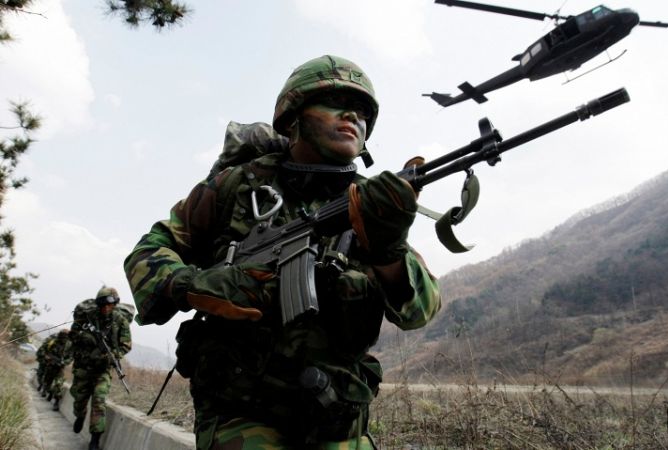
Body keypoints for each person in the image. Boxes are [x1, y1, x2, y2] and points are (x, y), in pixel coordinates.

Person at [124, 55, 441, 449]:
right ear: (293, 116)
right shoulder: (236, 186)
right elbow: (149, 250)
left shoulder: (371, 202)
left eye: (362, 111)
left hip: (336, 417)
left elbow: (420, 310)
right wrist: (193, 285)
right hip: (242, 410)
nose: (352, 116)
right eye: (334, 103)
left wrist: (388, 247)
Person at [69, 286, 132, 450]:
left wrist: (112, 355)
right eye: (102, 304)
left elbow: (126, 345)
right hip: (84, 366)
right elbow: (73, 336)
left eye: (109, 305)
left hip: (103, 369)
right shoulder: (87, 316)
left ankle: (95, 439)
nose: (105, 308)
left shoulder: (120, 321)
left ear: (115, 304)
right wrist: (85, 338)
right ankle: (80, 416)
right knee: (79, 399)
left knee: (99, 400)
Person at [40, 328, 73, 411]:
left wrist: (64, 362)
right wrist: (47, 357)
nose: (64, 338)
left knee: (58, 385)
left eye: (65, 336)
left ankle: (56, 403)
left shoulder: (69, 345)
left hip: (60, 368)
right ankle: (48, 391)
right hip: (50, 365)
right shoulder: (53, 342)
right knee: (47, 381)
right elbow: (46, 350)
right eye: (63, 335)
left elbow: (70, 357)